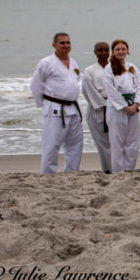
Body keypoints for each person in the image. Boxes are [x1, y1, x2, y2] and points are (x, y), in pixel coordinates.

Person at [30, 32, 84, 174]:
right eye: (62, 43)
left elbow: (75, 82)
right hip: (54, 108)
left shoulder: (74, 62)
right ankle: (48, 174)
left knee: (75, 144)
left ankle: (72, 172)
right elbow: (36, 86)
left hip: (72, 107)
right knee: (52, 144)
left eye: (68, 42)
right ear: (54, 45)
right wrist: (44, 104)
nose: (66, 45)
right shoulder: (46, 63)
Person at [103, 40, 140, 172]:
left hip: (133, 107)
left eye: (123, 49)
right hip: (117, 108)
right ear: (113, 52)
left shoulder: (132, 67)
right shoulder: (109, 68)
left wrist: (136, 104)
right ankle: (118, 171)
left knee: (132, 142)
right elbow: (110, 90)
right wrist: (124, 106)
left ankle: (129, 169)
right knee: (117, 141)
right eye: (118, 50)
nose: (121, 52)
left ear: (127, 51)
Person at [81, 41, 112, 173]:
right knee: (102, 142)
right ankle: (107, 169)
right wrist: (103, 104)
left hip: (114, 107)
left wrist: (115, 104)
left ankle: (115, 167)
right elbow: (87, 89)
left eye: (106, 50)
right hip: (97, 109)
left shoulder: (115, 67)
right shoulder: (90, 70)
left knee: (114, 141)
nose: (103, 53)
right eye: (100, 50)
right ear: (95, 52)